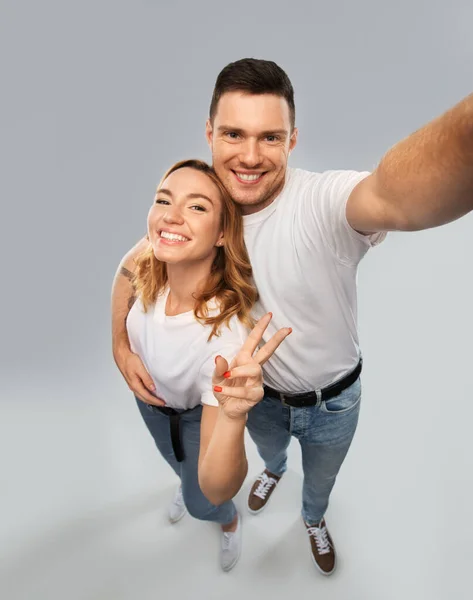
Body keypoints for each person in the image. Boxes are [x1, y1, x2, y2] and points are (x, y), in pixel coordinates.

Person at [112, 59, 473, 576]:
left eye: (271, 137)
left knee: (320, 481)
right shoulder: (198, 207)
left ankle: (313, 517)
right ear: (209, 132)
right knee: (270, 455)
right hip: (258, 400)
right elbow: (133, 265)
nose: (251, 156)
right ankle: (275, 472)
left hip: (332, 401)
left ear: (293, 139)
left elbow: (393, 195)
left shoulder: (320, 202)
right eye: (234, 133)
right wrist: (120, 345)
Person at [119, 157, 291, 572]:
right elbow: (124, 271)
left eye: (197, 207)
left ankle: (230, 523)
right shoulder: (153, 260)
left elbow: (219, 486)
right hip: (152, 406)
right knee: (175, 464)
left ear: (221, 234)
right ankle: (183, 481)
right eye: (164, 200)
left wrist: (233, 418)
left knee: (204, 501)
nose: (171, 216)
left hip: (195, 418)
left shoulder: (223, 341)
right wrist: (119, 346)